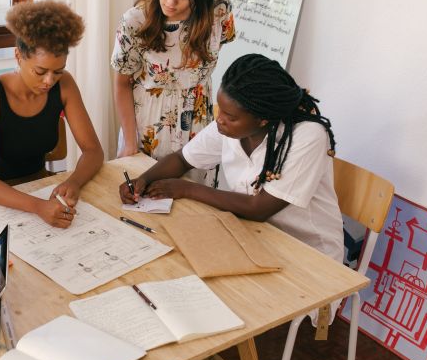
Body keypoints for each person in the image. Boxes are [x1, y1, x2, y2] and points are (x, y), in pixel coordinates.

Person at [119, 53, 344, 263]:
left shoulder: (307, 136)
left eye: (230, 117)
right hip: (255, 237)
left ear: (263, 119)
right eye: (221, 111)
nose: (219, 120)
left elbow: (259, 208)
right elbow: (182, 159)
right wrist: (143, 180)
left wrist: (186, 189)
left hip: (310, 256)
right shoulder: (230, 127)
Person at [0, 0, 104, 228]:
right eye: (40, 71)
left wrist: (74, 182)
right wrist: (38, 207)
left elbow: (93, 150)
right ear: (18, 56)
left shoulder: (64, 85)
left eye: (58, 72)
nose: (49, 81)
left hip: (39, 187)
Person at [111, 0, 236, 168]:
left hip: (199, 124)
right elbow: (121, 84)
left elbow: (212, 53)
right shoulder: (135, 21)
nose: (170, 1)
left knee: (195, 199)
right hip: (149, 126)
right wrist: (130, 142)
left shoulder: (218, 10)